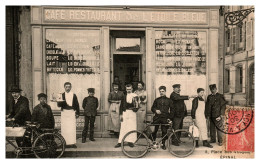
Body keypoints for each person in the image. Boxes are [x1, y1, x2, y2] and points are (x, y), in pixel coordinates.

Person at [114, 84, 139, 148]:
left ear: (132, 89)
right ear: (126, 89)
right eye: (127, 89)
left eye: (129, 89)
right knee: (123, 127)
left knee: (132, 127)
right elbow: (121, 106)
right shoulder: (124, 96)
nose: (128, 90)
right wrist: (120, 114)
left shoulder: (135, 96)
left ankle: (131, 141)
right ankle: (120, 142)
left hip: (132, 113)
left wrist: (135, 107)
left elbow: (137, 106)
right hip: (125, 112)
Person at [151, 86, 174, 150]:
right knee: (154, 131)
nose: (161, 93)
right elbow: (152, 108)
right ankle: (153, 143)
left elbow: (172, 110)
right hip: (157, 118)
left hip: (165, 118)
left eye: (163, 91)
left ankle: (163, 144)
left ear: (165, 91)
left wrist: (170, 118)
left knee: (164, 131)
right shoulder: (156, 100)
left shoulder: (169, 100)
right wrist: (156, 110)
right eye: (160, 91)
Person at [57, 82, 79, 148]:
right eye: (66, 87)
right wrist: (58, 100)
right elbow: (59, 105)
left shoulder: (74, 95)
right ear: (64, 87)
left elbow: (77, 104)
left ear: (71, 87)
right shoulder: (61, 95)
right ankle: (64, 143)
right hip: (64, 112)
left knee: (71, 128)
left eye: (69, 87)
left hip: (72, 112)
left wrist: (77, 113)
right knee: (64, 128)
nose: (68, 88)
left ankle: (72, 143)